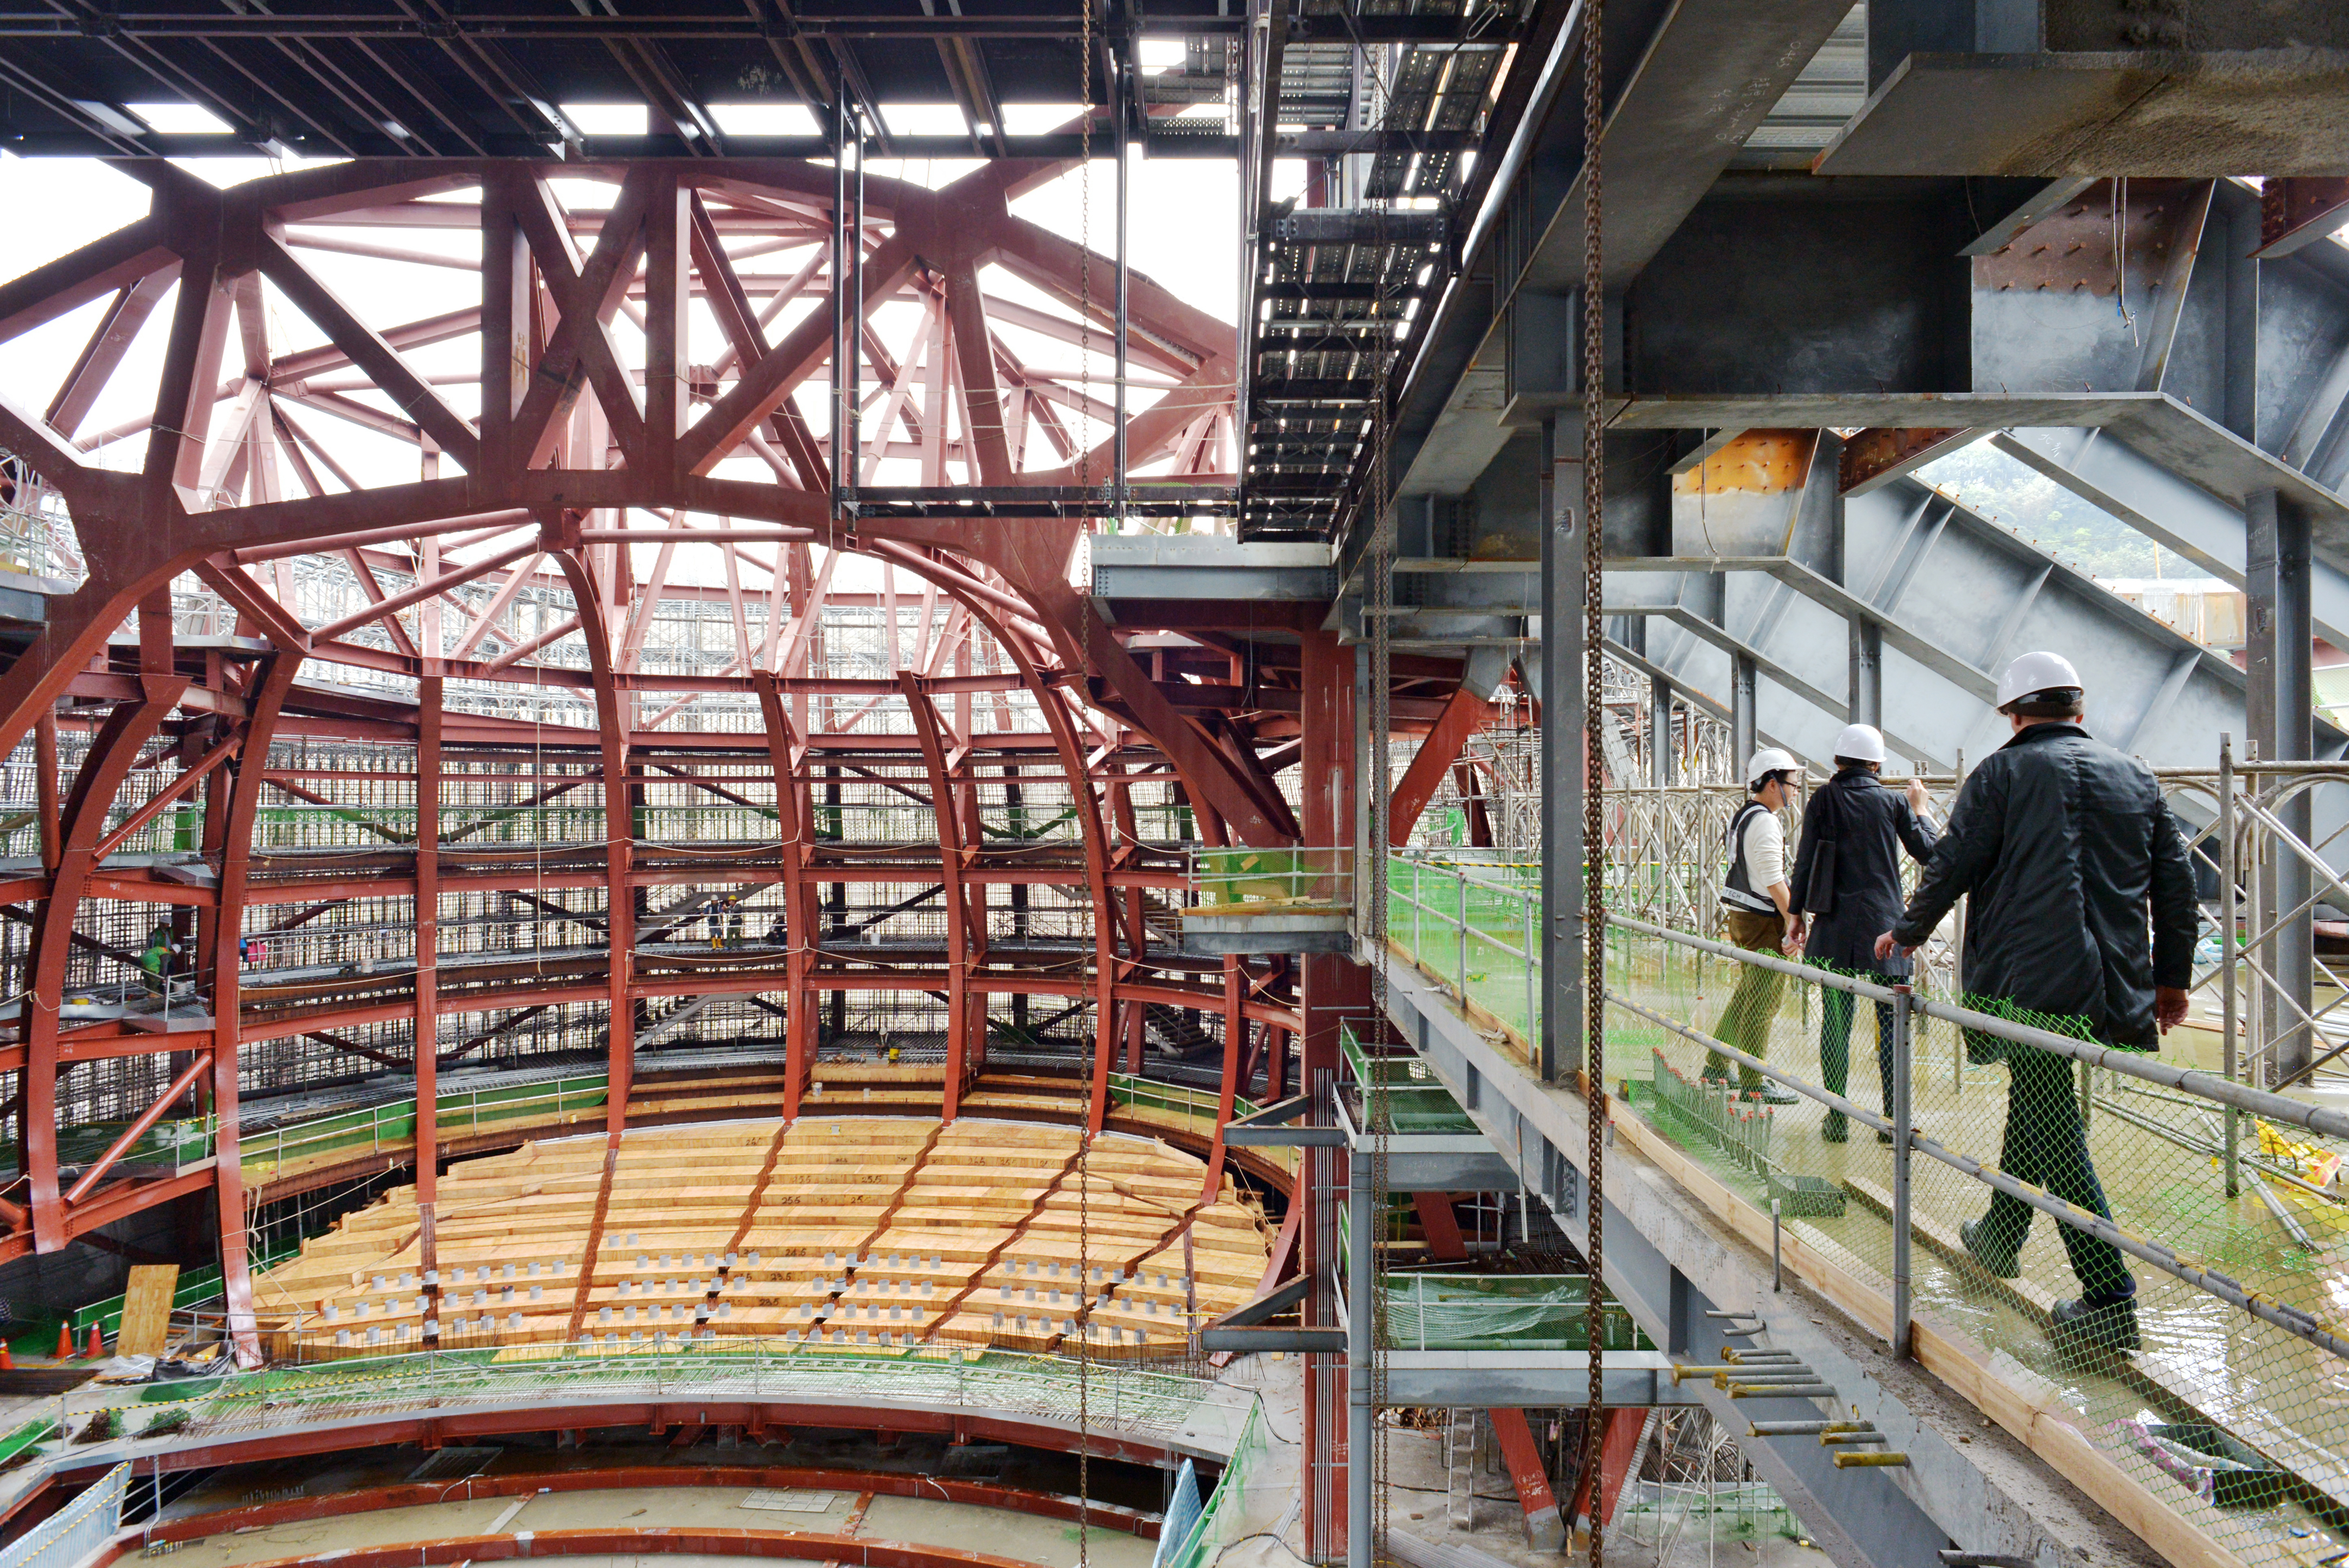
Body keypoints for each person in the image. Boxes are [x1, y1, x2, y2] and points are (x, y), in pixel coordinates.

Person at [1875, 652, 2196, 1354]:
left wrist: (1906, 931)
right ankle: (2000, 1235)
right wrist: (2171, 981)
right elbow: (2176, 887)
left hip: (2032, 984)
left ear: (2011, 717)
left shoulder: (2002, 773)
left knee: (2052, 1123)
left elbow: (1953, 863)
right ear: (2079, 711)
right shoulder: (2135, 775)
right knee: (2038, 1100)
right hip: (2111, 983)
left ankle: (2110, 1295)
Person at [1786, 723, 1937, 1143]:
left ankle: (1837, 1117)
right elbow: (1932, 853)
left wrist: (1795, 913)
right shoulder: (1892, 803)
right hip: (1885, 930)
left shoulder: (1822, 799)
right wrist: (1920, 808)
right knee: (1892, 1024)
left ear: (1837, 761)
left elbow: (1804, 861)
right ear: (1876, 764)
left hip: (1832, 928)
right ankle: (1892, 1124)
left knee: (1835, 1023)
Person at [1706, 747, 1802, 1103]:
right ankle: (1752, 1083)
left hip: (1745, 916)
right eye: (1792, 783)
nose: (1795, 790)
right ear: (1773, 784)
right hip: (1763, 921)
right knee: (1762, 1003)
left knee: (1746, 996)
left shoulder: (1745, 815)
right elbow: (1774, 880)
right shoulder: (1765, 821)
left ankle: (1716, 1065)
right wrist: (1793, 922)